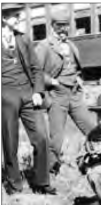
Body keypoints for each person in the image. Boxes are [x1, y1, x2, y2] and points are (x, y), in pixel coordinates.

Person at [1, 4, 56, 195]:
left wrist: (38, 91)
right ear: (3, 18)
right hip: (5, 93)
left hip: (28, 92)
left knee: (41, 137)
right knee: (10, 141)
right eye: (15, 15)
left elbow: (36, 68)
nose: (18, 18)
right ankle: (14, 184)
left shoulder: (23, 38)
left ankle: (42, 182)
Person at [35, 10, 95, 176]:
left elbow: (76, 68)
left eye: (65, 25)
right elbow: (36, 72)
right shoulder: (44, 46)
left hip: (74, 95)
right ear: (52, 26)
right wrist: (53, 82)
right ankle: (47, 173)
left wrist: (80, 82)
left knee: (92, 128)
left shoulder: (71, 45)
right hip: (57, 96)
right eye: (59, 25)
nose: (63, 29)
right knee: (57, 139)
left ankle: (97, 161)